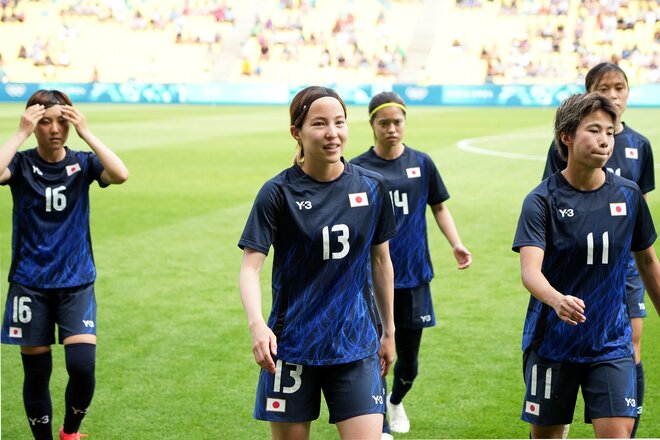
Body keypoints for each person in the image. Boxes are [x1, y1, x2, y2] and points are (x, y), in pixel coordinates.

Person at [238, 86, 397, 440]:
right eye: (320, 124)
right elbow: (251, 266)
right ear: (297, 132)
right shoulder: (277, 192)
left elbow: (381, 261)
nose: (332, 133)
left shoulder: (372, 187)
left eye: (339, 123)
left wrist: (389, 330)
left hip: (355, 344)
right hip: (292, 347)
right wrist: (257, 325)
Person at [513, 92, 660, 439]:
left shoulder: (629, 196)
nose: (605, 140)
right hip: (553, 343)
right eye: (594, 130)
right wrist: (556, 300)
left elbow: (649, 263)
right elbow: (530, 271)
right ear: (567, 136)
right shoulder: (541, 200)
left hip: (610, 342)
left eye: (609, 132)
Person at [0, 89, 129, 440]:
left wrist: (87, 132)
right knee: (36, 374)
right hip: (29, 284)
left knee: (82, 367)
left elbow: (120, 174)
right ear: (32, 124)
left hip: (76, 283)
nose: (54, 129)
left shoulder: (83, 163)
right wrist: (19, 133)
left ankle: (69, 432)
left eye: (61, 121)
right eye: (44, 122)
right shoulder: (22, 163)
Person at [350, 92, 472, 435]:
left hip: (415, 274)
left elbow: (439, 207)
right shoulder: (358, 168)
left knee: (409, 364)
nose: (391, 129)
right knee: (375, 356)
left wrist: (456, 244)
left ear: (405, 123)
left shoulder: (422, 163)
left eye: (397, 122)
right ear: (372, 124)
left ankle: (396, 400)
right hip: (372, 277)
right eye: (384, 123)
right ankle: (381, 424)